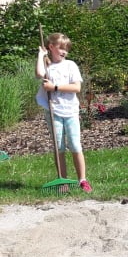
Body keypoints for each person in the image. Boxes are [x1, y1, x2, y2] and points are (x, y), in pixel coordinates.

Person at [35, 32, 92, 193]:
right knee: (59, 147)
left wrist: (54, 87)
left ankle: (82, 180)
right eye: (61, 48)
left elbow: (76, 87)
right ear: (51, 47)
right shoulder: (47, 67)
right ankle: (63, 181)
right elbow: (39, 74)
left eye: (66, 49)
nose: (64, 52)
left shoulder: (70, 65)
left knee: (75, 145)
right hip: (53, 112)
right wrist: (41, 55)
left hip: (70, 111)